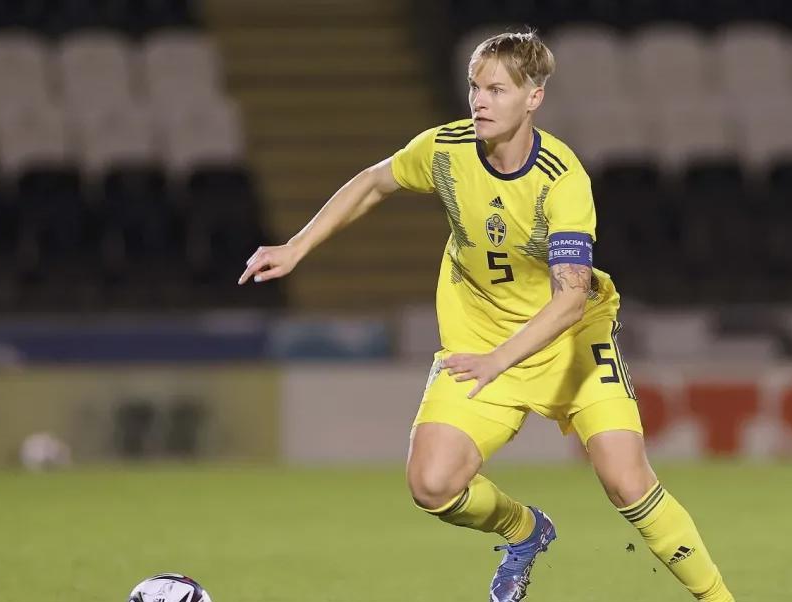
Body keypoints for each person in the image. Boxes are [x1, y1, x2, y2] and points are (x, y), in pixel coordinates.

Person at [239, 30, 735, 602]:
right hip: (480, 340)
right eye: (475, 87)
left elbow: (570, 298)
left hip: (570, 341)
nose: (479, 101)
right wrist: (296, 247)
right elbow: (375, 181)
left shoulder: (563, 179)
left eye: (496, 90)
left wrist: (501, 360)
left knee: (626, 482)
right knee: (431, 485)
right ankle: (525, 531)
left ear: (533, 98)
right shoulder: (446, 149)